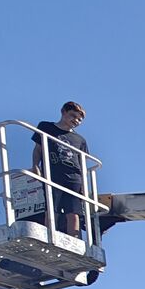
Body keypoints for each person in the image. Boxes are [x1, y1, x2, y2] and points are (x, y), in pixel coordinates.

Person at [31, 101, 89, 236]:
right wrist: (35, 165)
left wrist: (85, 186)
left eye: (79, 119)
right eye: (73, 116)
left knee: (73, 211)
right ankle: (49, 236)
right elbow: (38, 149)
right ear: (63, 112)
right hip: (53, 175)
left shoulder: (80, 140)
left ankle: (73, 239)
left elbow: (82, 164)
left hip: (74, 178)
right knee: (51, 208)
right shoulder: (46, 127)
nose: (76, 121)